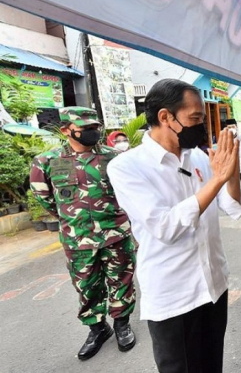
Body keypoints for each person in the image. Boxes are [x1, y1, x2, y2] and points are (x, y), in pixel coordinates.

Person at [107, 79, 241, 373]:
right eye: (195, 118)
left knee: (211, 366)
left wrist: (231, 172)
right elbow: (165, 227)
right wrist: (217, 179)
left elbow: (233, 206)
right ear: (165, 117)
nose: (202, 125)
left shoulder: (198, 157)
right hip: (173, 296)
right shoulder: (126, 167)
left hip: (213, 287)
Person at [30, 107, 136, 360]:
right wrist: (73, 220)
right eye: (85, 129)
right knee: (86, 286)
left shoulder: (114, 157)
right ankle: (97, 329)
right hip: (77, 239)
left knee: (121, 280)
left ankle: (122, 324)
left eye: (95, 128)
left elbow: (131, 193)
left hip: (115, 233)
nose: (92, 133)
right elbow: (45, 199)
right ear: (66, 130)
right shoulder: (46, 161)